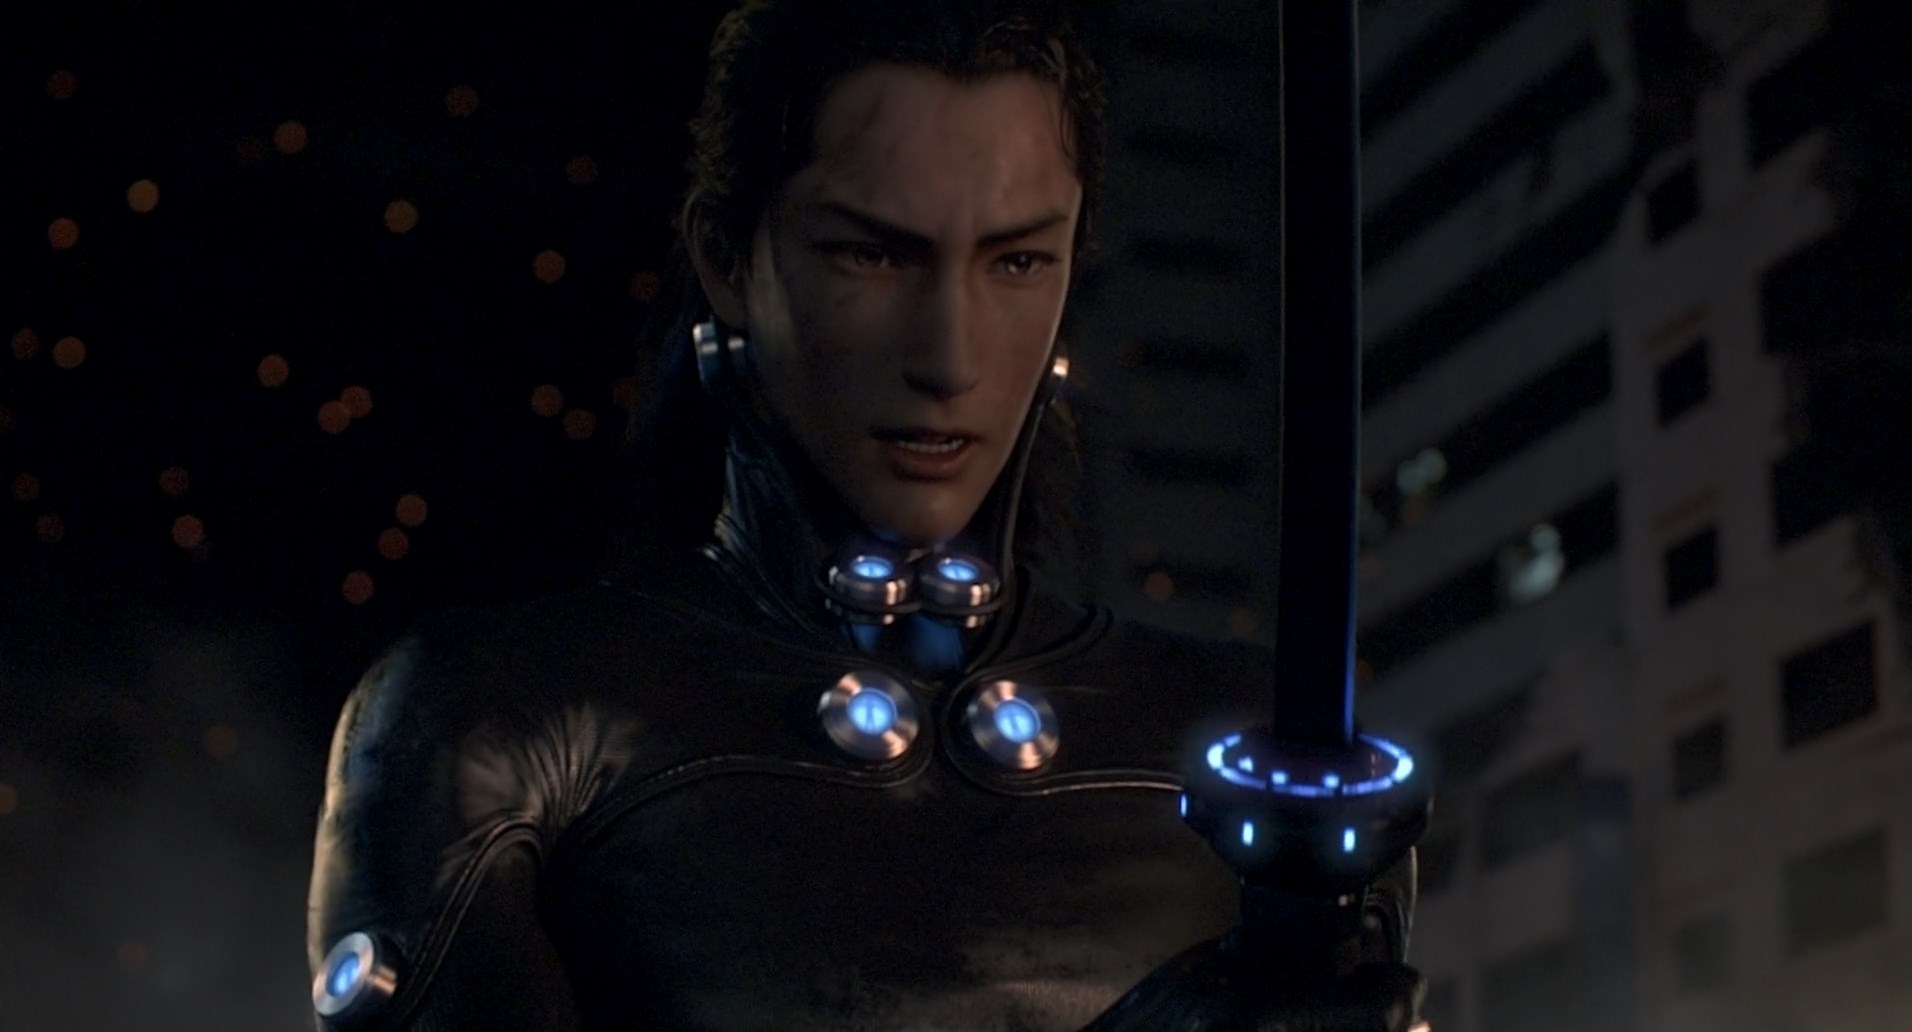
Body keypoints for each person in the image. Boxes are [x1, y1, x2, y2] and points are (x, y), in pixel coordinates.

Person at [305, 2, 1419, 1029]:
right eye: (872, 253)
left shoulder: (1264, 759)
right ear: (727, 259)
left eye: (1019, 259)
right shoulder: (492, 720)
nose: (949, 357)